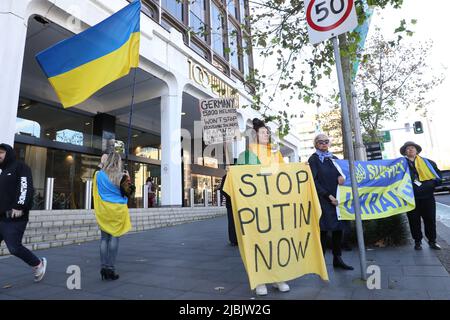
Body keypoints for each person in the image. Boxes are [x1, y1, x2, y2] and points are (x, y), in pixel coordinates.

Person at [236, 118, 290, 296]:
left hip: (274, 203)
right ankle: (260, 279)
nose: (266, 134)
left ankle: (278, 276)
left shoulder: (276, 153)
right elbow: (241, 179)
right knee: (257, 240)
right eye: (263, 132)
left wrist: (302, 168)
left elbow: (285, 174)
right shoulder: (246, 155)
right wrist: (232, 172)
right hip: (255, 205)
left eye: (268, 132)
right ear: (255, 135)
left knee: (276, 239)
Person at [0, 143, 47, 282]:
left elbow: (25, 187)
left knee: (14, 248)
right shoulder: (2, 171)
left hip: (14, 217)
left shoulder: (20, 167)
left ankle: (38, 264)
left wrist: (19, 206)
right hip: (0, 216)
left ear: (8, 153)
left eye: (1, 152)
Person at [308, 134, 354, 271]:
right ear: (316, 144)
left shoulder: (334, 158)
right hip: (323, 199)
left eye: (326, 141)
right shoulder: (313, 159)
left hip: (337, 198)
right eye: (320, 142)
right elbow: (313, 181)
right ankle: (320, 262)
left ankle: (337, 258)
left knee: (338, 228)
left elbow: (343, 173)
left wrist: (342, 177)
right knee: (323, 229)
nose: (323, 144)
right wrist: (328, 196)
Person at [92, 152, 132, 280]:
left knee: (104, 239)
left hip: (104, 210)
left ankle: (104, 267)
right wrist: (128, 179)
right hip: (117, 212)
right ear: (118, 162)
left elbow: (96, 187)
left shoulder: (98, 175)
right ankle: (110, 268)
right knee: (114, 238)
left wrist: (101, 163)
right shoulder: (122, 176)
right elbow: (129, 193)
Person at [400, 141, 442, 250]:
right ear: (405, 152)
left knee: (430, 220)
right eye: (408, 148)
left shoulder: (428, 162)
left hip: (428, 197)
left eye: (412, 148)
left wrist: (431, 185)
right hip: (411, 198)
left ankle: (432, 241)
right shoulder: (401, 165)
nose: (410, 150)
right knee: (414, 221)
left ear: (417, 150)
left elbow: (438, 176)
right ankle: (417, 242)